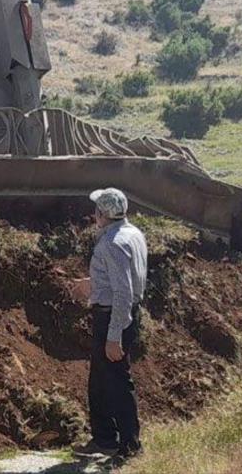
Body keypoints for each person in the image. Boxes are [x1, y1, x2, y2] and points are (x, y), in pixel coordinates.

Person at [74, 187, 147, 460]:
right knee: (100, 380)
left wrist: (114, 335)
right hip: (122, 312)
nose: (94, 215)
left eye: (96, 210)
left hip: (114, 316)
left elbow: (123, 292)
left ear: (102, 215)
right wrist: (93, 284)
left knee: (117, 381)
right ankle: (104, 438)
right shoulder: (133, 234)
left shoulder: (111, 243)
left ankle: (130, 446)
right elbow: (124, 279)